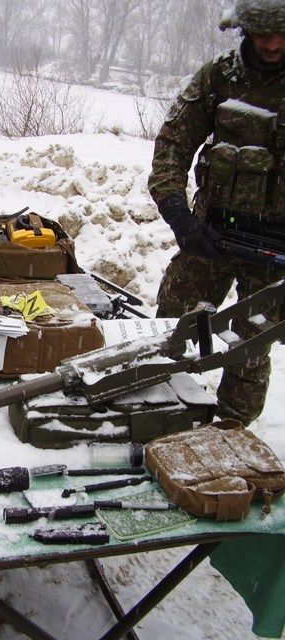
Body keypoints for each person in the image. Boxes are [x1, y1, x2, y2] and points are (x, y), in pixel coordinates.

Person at [148, 0, 285, 426]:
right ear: (245, 30)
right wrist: (179, 214)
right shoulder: (219, 77)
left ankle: (229, 433)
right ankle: (156, 412)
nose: (272, 45)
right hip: (210, 234)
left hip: (276, 248)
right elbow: (173, 144)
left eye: (281, 35)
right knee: (168, 325)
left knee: (249, 348)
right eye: (262, 35)